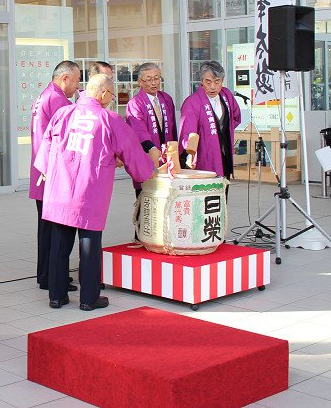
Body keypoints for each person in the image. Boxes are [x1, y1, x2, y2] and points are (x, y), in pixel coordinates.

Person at [35, 74, 155, 311]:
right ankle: (89, 298)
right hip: (90, 191)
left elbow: (45, 148)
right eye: (112, 96)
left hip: (60, 188)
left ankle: (56, 296)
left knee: (59, 243)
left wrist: (49, 171)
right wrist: (147, 170)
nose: (111, 100)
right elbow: (132, 153)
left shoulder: (63, 113)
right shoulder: (109, 119)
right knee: (89, 244)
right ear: (103, 93)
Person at [29, 60, 81, 293]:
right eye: (76, 80)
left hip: (41, 172)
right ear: (65, 78)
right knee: (55, 231)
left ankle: (45, 275)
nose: (78, 87)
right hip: (52, 175)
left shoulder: (44, 96)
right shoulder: (58, 101)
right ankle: (52, 277)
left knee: (46, 230)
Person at [179, 60, 241, 184]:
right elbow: (188, 133)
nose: (213, 87)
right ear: (202, 81)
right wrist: (190, 154)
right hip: (205, 157)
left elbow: (235, 117)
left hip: (224, 154)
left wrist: (222, 132)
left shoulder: (226, 95)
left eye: (217, 82)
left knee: (224, 190)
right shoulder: (192, 102)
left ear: (222, 81)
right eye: (208, 82)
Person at [125, 62, 177, 196]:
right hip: (147, 156)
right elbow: (138, 131)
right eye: (149, 80)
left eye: (157, 78)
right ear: (140, 81)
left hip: (166, 157)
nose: (154, 83)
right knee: (147, 199)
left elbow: (172, 129)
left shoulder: (166, 99)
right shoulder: (135, 103)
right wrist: (152, 149)